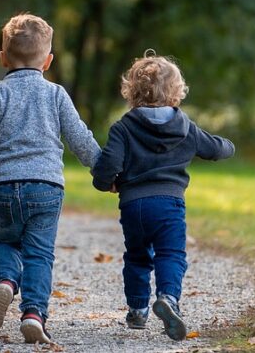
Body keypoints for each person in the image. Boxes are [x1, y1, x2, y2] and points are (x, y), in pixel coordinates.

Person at [0, 13, 100, 345]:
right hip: (46, 187)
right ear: (49, 61)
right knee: (39, 253)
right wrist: (105, 171)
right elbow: (80, 138)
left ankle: (5, 282)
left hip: (4, 187)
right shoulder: (56, 95)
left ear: (3, 58)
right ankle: (34, 314)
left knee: (7, 242)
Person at [91, 52, 235, 341]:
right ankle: (168, 298)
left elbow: (108, 165)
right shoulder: (185, 128)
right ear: (176, 93)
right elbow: (216, 149)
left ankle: (138, 310)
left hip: (133, 206)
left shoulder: (123, 127)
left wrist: (107, 183)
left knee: (136, 256)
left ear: (132, 92)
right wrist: (230, 146)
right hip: (169, 205)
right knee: (171, 254)